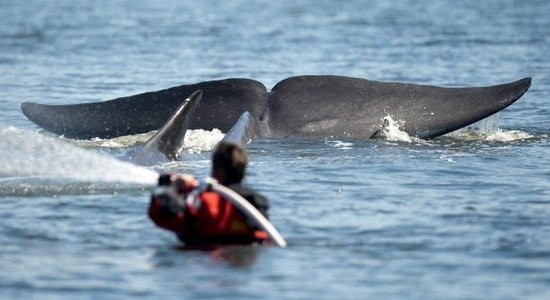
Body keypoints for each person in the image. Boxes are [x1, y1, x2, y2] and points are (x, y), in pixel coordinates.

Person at [148, 141, 270, 246]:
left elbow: (161, 214)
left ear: (217, 172)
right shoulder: (257, 204)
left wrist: (169, 185)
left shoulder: (204, 201)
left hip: (209, 262)